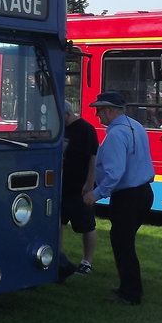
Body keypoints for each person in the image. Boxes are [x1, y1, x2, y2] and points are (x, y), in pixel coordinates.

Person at [83, 91, 155, 305]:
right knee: (125, 242)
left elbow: (115, 173)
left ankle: (130, 293)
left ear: (109, 110)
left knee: (123, 244)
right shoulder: (135, 126)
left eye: (99, 111)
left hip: (128, 196)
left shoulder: (115, 135)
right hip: (143, 192)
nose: (97, 115)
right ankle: (128, 286)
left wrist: (95, 194)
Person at [61, 100, 99, 275]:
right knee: (58, 223)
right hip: (62, 185)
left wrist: (90, 182)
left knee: (86, 225)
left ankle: (87, 262)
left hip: (80, 186)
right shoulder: (60, 128)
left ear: (68, 114)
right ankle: (59, 258)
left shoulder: (86, 129)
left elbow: (93, 157)